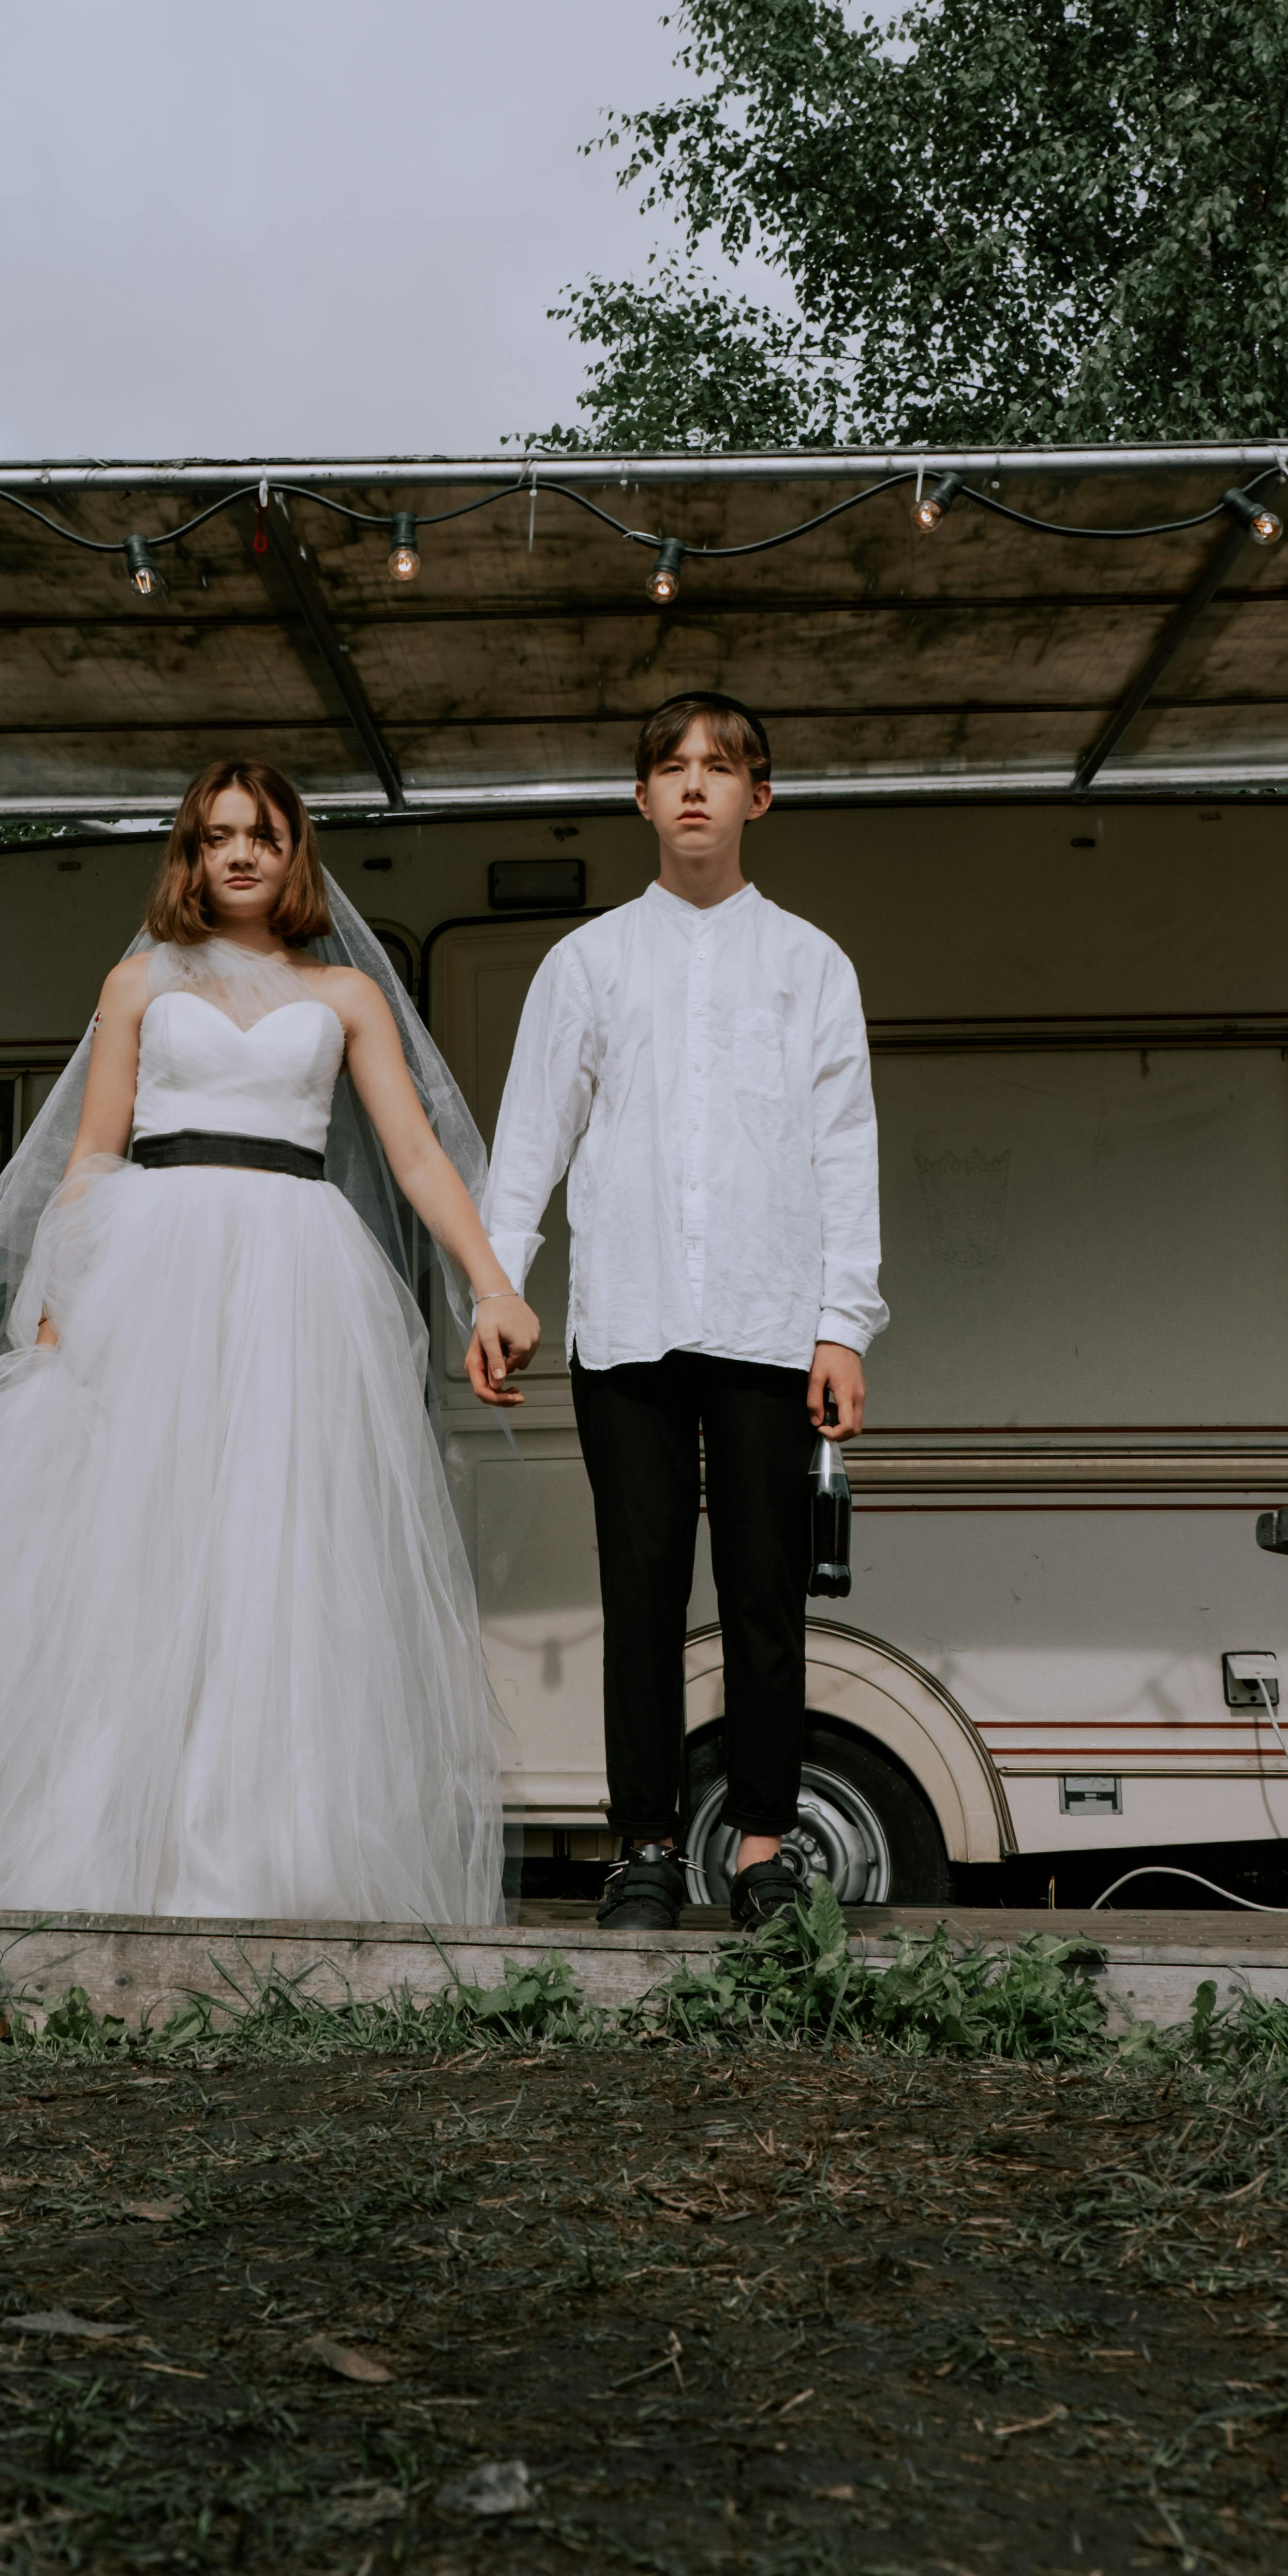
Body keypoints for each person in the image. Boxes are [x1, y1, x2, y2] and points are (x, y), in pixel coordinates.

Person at [0, 761, 540, 1925]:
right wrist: (57, 1304)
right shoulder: (138, 981)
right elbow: (89, 1155)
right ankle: (100, 1847)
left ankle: (264, 1854)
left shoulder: (345, 997)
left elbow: (420, 1157)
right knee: (138, 1547)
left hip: (293, 1274)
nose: (241, 856)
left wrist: (491, 1285)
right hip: (155, 1267)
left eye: (265, 837)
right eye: (217, 837)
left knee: (271, 1552)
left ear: (297, 856)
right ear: (188, 856)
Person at [472, 694, 885, 1935]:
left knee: (766, 1596)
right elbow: (529, 1137)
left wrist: (842, 1324)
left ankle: (763, 1847)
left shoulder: (810, 962)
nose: (695, 785)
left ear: (759, 798)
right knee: (641, 1593)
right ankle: (643, 1844)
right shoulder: (587, 962)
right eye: (672, 767)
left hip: (769, 1327)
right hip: (631, 1325)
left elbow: (843, 1147)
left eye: (721, 767)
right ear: (641, 799)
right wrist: (499, 1287)